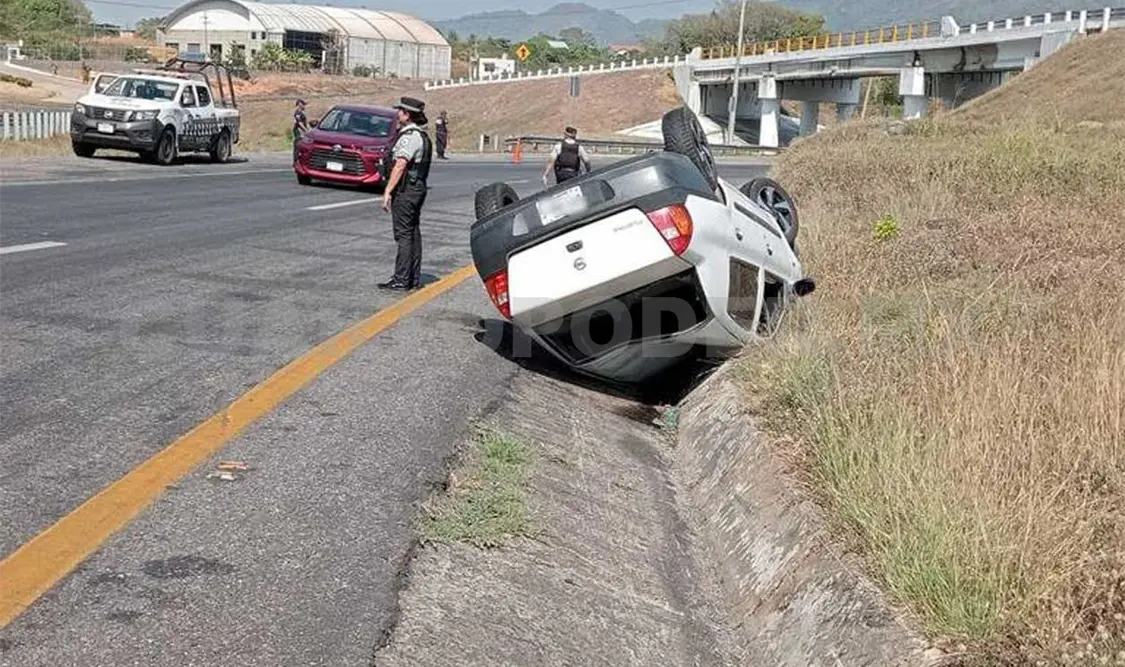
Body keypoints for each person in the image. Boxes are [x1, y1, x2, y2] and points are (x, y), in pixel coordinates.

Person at [378, 96, 433, 291]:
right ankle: (412, 278)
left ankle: (401, 279)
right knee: (412, 233)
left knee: (403, 235)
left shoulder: (410, 137)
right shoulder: (421, 135)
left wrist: (387, 191)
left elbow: (400, 165)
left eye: (400, 111)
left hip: (406, 191)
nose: (397, 114)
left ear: (407, 114)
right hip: (416, 189)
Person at [292, 99, 309, 164]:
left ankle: (298, 161)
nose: (304, 106)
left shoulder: (301, 113)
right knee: (298, 146)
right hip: (299, 131)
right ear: (300, 104)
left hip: (301, 131)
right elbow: (299, 123)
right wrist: (305, 130)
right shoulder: (298, 113)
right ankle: (296, 161)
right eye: (303, 104)